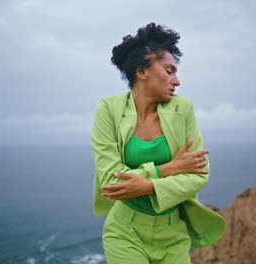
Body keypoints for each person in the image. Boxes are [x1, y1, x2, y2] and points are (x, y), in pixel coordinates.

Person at [90, 22, 226, 264]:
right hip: (125, 231)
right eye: (169, 70)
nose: (177, 81)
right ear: (142, 71)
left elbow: (199, 173)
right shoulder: (108, 109)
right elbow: (112, 182)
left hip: (173, 234)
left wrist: (148, 186)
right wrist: (169, 169)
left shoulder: (183, 110)